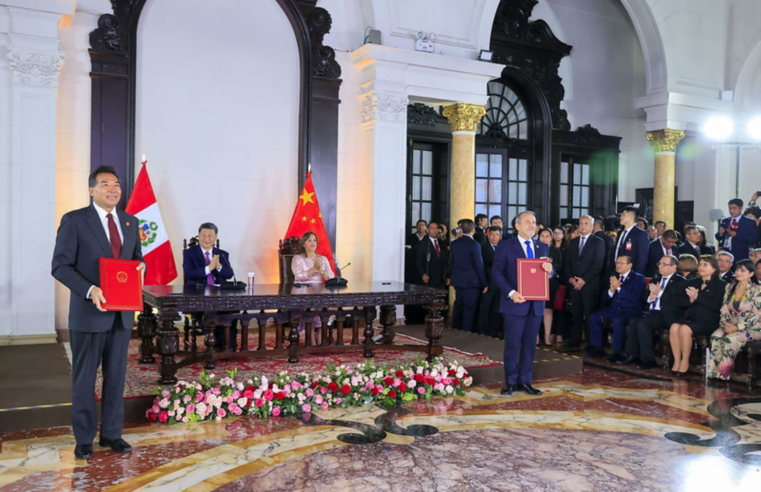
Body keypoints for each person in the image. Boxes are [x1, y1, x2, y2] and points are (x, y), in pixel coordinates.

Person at [51, 166, 145, 460]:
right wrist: (90, 290)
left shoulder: (130, 222)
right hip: (89, 313)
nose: (113, 189)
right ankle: (83, 438)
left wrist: (141, 266)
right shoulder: (75, 221)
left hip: (122, 315)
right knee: (85, 378)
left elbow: (135, 260)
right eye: (105, 184)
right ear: (92, 190)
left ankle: (112, 434)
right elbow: (60, 266)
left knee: (116, 376)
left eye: (116, 184)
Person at [492, 211, 554, 396]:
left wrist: (551, 271)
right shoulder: (505, 246)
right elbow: (497, 273)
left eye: (534, 222)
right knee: (512, 344)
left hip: (535, 305)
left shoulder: (542, 247)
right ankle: (510, 381)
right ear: (517, 226)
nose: (532, 225)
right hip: (515, 303)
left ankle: (525, 381)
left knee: (529, 345)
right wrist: (511, 293)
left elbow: (546, 273)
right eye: (527, 222)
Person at [619, 255, 690, 369]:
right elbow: (644, 297)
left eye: (664, 264)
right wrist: (650, 298)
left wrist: (661, 293)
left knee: (643, 322)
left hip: (669, 315)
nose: (660, 266)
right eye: (659, 263)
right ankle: (632, 354)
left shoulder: (681, 281)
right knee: (633, 321)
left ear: (673, 267)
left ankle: (648, 359)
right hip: (653, 312)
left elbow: (682, 302)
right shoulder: (656, 279)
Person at [667, 255, 725, 376]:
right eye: (700, 264)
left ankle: (685, 361)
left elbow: (716, 306)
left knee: (684, 329)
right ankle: (677, 361)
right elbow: (678, 300)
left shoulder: (721, 285)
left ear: (714, 269)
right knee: (674, 327)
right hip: (692, 317)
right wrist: (691, 300)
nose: (701, 267)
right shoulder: (694, 282)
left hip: (708, 320)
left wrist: (698, 297)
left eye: (705, 265)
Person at [183, 222, 237, 350]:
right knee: (208, 315)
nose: (206, 238)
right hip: (198, 293)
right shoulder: (190, 253)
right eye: (203, 235)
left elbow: (229, 274)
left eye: (210, 235)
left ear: (215, 237)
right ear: (199, 236)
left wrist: (218, 266)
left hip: (220, 294)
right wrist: (209, 268)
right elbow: (189, 273)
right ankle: (218, 346)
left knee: (233, 312)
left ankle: (229, 345)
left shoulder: (222, 254)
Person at [707, 259, 761, 380]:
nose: (738, 273)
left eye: (743, 270)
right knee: (716, 336)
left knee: (731, 339)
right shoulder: (730, 287)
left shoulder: (758, 290)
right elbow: (724, 308)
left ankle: (724, 373)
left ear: (751, 274)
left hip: (754, 327)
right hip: (731, 324)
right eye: (737, 270)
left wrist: (737, 327)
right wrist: (726, 323)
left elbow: (756, 315)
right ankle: (712, 372)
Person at [585, 255, 646, 362]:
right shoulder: (614, 276)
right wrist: (612, 290)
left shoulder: (638, 278)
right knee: (594, 317)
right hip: (614, 309)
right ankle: (597, 348)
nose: (618, 265)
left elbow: (634, 298)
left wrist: (618, 288)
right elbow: (605, 298)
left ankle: (617, 351)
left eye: (621, 263)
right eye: (617, 263)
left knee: (618, 320)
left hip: (630, 310)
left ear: (629, 265)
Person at [564, 215, 605, 349]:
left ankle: (591, 343)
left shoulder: (598, 242)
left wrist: (584, 280)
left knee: (589, 314)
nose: (583, 226)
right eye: (581, 223)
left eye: (586, 224)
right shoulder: (573, 242)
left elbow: (598, 264)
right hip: (574, 284)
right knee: (575, 314)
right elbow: (568, 262)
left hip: (590, 285)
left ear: (592, 226)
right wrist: (571, 278)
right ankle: (574, 340)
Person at [292, 232, 335, 345]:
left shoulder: (323, 259)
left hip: (320, 290)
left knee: (327, 305)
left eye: (314, 240)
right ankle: (310, 338)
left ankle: (320, 336)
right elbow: (299, 276)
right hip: (302, 290)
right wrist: (314, 268)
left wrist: (323, 271)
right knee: (310, 306)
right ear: (303, 244)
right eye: (309, 240)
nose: (313, 243)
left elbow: (330, 276)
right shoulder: (298, 259)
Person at [450, 219, 488, 333]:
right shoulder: (475, 244)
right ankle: (466, 332)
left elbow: (451, 262)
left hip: (458, 280)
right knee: (469, 308)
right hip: (471, 282)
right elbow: (479, 265)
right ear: (473, 230)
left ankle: (455, 329)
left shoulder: (454, 243)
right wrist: (484, 283)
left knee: (458, 305)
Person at [477, 226, 504, 337]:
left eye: (497, 234)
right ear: (488, 236)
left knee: (496, 309)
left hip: (501, 285)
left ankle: (494, 331)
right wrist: (484, 283)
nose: (494, 237)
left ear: (500, 236)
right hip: (488, 284)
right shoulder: (482, 248)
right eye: (492, 235)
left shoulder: (504, 248)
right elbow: (480, 267)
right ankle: (482, 331)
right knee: (485, 309)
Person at [538, 228, 563, 346]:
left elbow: (560, 264)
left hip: (551, 283)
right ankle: (536, 337)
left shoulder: (555, 250)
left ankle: (547, 337)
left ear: (551, 238)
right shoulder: (534, 248)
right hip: (536, 283)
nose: (545, 238)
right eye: (542, 235)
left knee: (548, 309)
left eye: (547, 236)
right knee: (536, 310)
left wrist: (550, 264)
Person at [615, 207, 650, 275]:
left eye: (623, 215)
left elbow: (642, 258)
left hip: (631, 273)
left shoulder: (640, 234)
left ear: (631, 217)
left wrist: (637, 275)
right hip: (617, 271)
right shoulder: (620, 233)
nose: (620, 217)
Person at [416, 221, 449, 290]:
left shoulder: (442, 243)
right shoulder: (423, 244)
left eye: (436, 228)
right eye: (432, 228)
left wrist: (448, 276)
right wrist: (423, 274)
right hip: (429, 278)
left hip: (441, 278)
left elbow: (446, 260)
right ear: (427, 230)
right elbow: (418, 261)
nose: (435, 230)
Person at [593, 215, 615, 280]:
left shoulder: (594, 239)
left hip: (595, 276)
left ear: (594, 225)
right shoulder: (609, 238)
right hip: (608, 274)